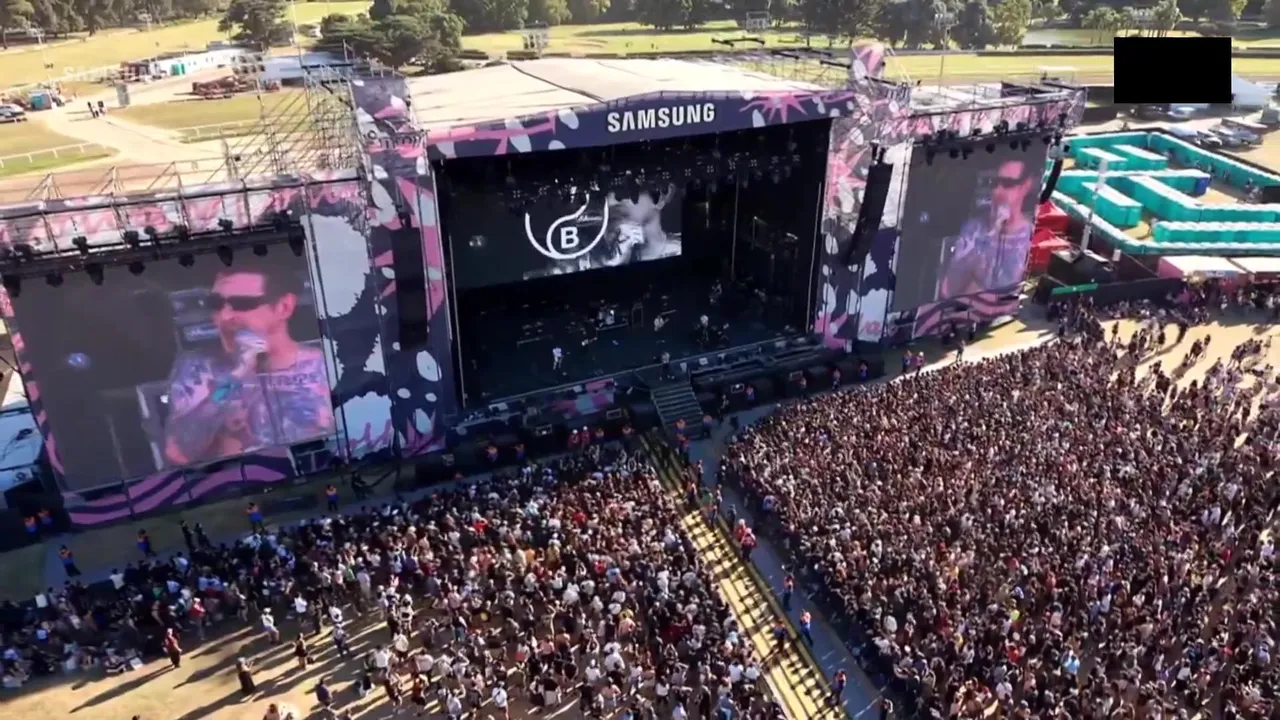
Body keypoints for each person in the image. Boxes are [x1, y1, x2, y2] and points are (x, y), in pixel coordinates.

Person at [162, 266, 334, 467]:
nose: (225, 316)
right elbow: (180, 451)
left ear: (284, 306)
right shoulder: (198, 369)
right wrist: (237, 375)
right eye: (216, 304)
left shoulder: (324, 365)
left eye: (242, 304)